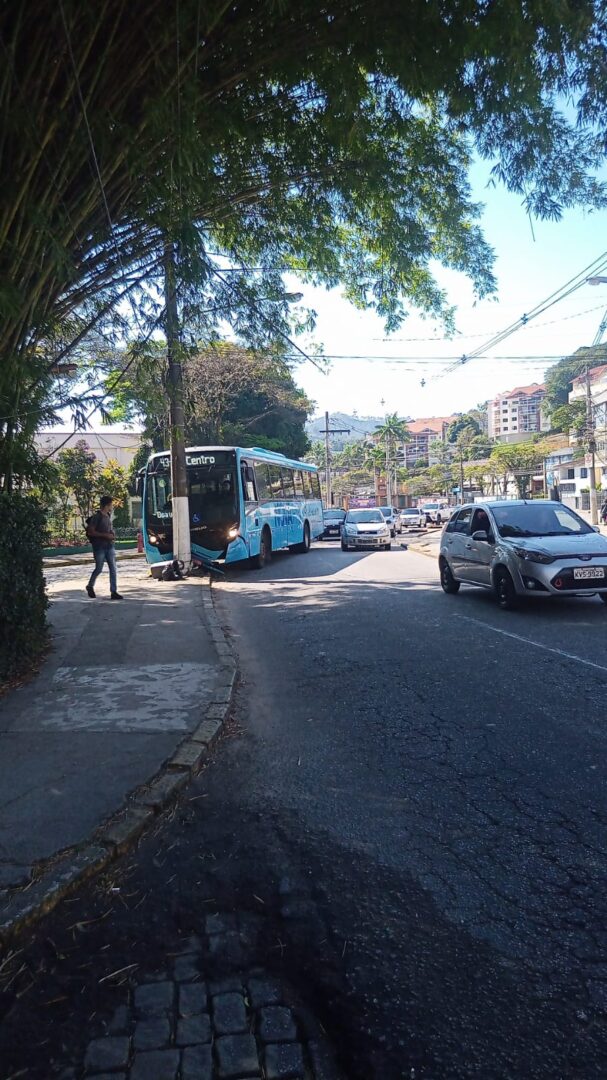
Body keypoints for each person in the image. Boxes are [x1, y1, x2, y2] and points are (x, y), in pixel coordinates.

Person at [86, 495, 123, 600]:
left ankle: (113, 592)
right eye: (111, 504)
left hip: (109, 546)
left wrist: (111, 534)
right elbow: (91, 531)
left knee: (113, 569)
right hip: (99, 547)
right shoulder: (97, 517)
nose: (112, 506)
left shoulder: (108, 515)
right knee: (99, 568)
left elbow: (108, 529)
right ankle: (90, 586)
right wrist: (105, 535)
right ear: (107, 505)